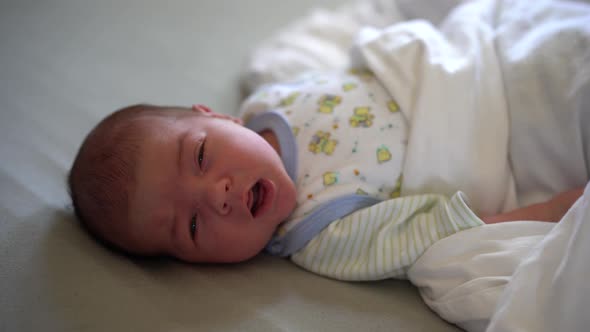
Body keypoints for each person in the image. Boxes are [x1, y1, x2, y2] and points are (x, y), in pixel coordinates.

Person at [68, 68, 583, 280]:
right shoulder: (322, 234)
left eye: (200, 157)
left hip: (472, 71)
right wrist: (550, 212)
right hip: (503, 132)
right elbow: (433, 231)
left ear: (215, 117)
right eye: (193, 226)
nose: (217, 195)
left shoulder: (269, 98)